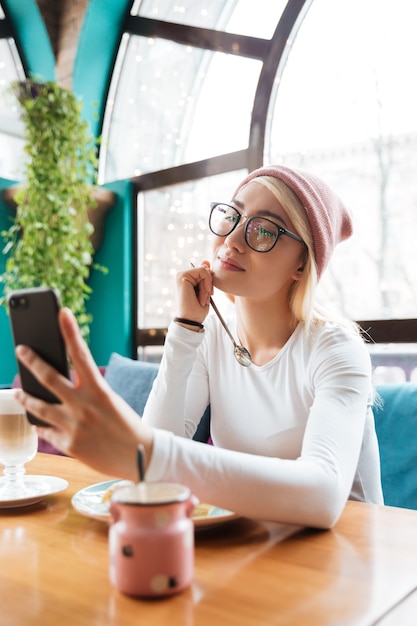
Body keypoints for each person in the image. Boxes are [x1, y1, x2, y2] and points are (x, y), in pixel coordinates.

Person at [14, 165, 383, 528]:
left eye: (263, 231)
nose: (232, 241)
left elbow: (323, 495)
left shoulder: (336, 350)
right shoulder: (215, 336)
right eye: (232, 216)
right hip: (256, 543)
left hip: (349, 556)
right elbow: (160, 449)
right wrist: (185, 329)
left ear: (302, 265)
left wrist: (145, 454)